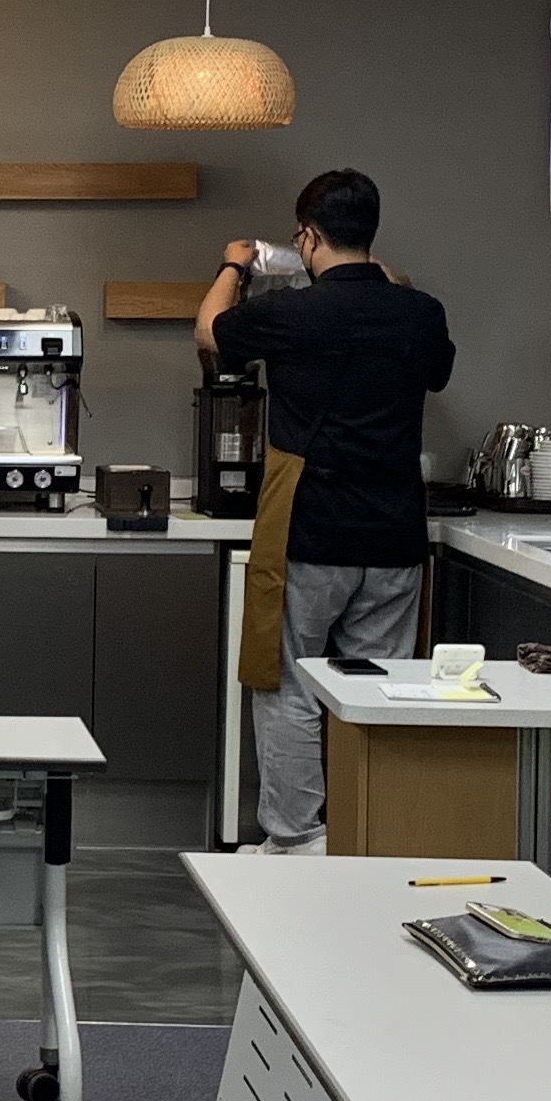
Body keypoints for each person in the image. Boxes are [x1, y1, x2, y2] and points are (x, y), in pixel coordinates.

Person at [193, 166, 455, 850]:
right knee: (379, 691)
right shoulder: (419, 312)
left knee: (288, 685)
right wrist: (390, 281)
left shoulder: (293, 312)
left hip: (309, 527)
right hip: (395, 533)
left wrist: (233, 264)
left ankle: (296, 840)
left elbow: (211, 332)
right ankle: (368, 835)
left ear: (307, 238)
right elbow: (435, 367)